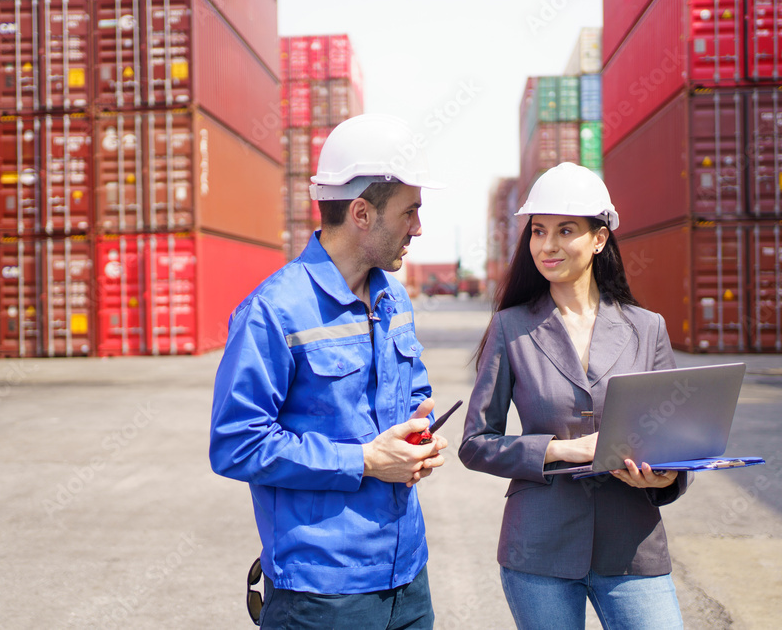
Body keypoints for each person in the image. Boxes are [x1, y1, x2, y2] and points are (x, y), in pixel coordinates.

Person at [210, 114, 449, 629]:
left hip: (408, 575)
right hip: (321, 593)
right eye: (410, 212)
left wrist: (419, 439)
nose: (418, 227)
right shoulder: (274, 312)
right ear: (362, 212)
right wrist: (364, 460)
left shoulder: (394, 299)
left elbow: (416, 393)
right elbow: (236, 443)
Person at [459, 163, 690, 629]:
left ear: (599, 238)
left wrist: (664, 478)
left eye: (565, 231)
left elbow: (674, 444)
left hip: (632, 546)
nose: (547, 246)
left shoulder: (647, 329)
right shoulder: (511, 327)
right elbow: (476, 443)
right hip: (538, 548)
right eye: (538, 231)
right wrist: (561, 450)